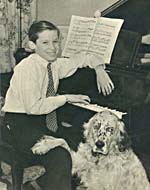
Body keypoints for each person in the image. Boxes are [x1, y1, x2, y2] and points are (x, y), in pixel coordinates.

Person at [2, 20, 114, 190]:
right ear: (32, 45)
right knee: (60, 156)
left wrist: (99, 69)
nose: (53, 47)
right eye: (45, 43)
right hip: (20, 126)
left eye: (56, 41)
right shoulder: (27, 68)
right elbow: (33, 107)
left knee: (81, 142)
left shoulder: (54, 64)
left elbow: (83, 58)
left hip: (41, 122)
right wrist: (67, 98)